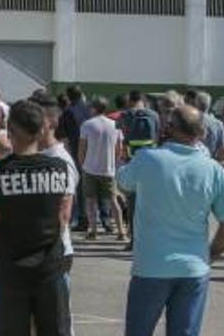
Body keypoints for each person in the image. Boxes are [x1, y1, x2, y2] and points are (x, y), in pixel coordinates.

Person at [116, 106, 224, 336]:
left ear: (168, 128)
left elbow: (122, 181)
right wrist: (211, 254)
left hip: (151, 268)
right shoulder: (214, 170)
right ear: (202, 133)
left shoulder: (149, 159)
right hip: (193, 268)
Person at [0, 101, 74, 336]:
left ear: (12, 132)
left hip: (11, 270)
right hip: (51, 267)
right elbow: (63, 216)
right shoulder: (59, 168)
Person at [117, 90, 160, 250]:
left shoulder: (125, 116)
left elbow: (121, 136)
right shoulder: (154, 115)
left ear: (129, 99)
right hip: (153, 163)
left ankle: (134, 240)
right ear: (143, 100)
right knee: (151, 204)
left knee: (133, 204)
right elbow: (158, 135)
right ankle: (150, 239)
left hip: (133, 162)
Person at [78, 97, 125, 241]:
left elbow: (82, 148)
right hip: (108, 169)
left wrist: (82, 164)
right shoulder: (115, 124)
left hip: (90, 168)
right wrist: (114, 163)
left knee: (90, 201)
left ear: (93, 108)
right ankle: (121, 231)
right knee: (113, 200)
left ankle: (93, 230)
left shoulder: (87, 125)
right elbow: (120, 148)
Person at [57, 85, 90, 231]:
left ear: (69, 97)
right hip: (93, 150)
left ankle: (82, 218)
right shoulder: (90, 109)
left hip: (76, 151)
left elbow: (63, 137)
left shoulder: (68, 112)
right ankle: (102, 217)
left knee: (78, 186)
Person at [185, 91, 224, 161]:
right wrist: (216, 163)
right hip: (210, 161)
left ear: (196, 103)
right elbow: (223, 150)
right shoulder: (218, 124)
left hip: (193, 160)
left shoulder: (191, 121)